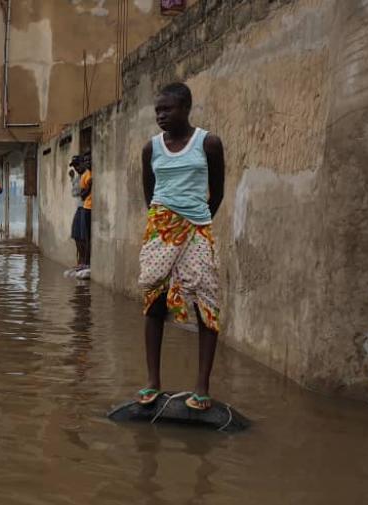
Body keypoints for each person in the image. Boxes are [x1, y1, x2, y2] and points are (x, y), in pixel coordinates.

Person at [136, 82, 225, 411]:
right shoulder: (151, 148)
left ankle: (201, 387)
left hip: (198, 229)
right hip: (160, 229)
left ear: (186, 108)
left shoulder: (209, 143)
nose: (160, 115)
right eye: (157, 110)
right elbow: (150, 193)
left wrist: (195, 221)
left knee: (206, 302)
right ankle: (152, 382)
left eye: (167, 109)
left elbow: (217, 191)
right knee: (154, 302)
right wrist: (166, 223)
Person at [68, 155, 89, 273]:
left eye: (77, 165)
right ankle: (81, 261)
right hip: (79, 208)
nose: (75, 168)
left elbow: (80, 193)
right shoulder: (77, 178)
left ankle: (85, 263)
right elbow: (74, 192)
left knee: (83, 237)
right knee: (76, 235)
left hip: (85, 208)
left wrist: (79, 189)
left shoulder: (87, 175)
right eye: (74, 166)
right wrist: (72, 180)